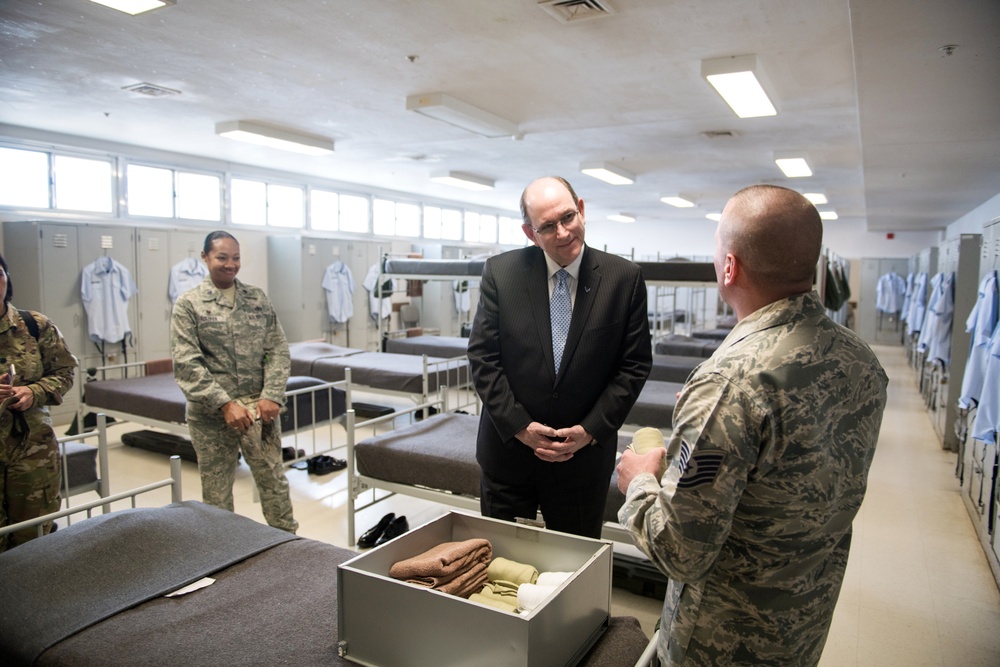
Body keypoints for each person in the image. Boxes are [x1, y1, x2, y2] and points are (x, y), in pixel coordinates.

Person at [617, 185, 889, 666]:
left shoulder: (732, 381)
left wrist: (639, 478)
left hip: (723, 639)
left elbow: (679, 549)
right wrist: (714, 421)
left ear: (729, 266)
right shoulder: (860, 359)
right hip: (802, 622)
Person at [467, 176, 651, 539]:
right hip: (509, 456)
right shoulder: (502, 274)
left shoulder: (623, 279)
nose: (563, 232)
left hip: (582, 460)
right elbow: (483, 357)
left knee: (575, 571)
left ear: (581, 209)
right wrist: (521, 426)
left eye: (568, 217)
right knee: (502, 568)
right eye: (548, 226)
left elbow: (633, 366)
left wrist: (590, 431)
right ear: (529, 232)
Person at [171, 231, 297, 533]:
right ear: (205, 257)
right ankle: (224, 553)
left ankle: (288, 544)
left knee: (274, 483)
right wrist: (225, 404)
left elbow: (278, 348)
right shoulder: (189, 304)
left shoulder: (256, 299)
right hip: (211, 417)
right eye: (222, 257)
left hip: (259, 411)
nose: (230, 264)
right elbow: (187, 363)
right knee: (216, 495)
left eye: (236, 258)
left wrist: (272, 395)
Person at [0, 253, 78, 551]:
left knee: (35, 540)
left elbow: (65, 372)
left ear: (7, 279)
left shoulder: (34, 325)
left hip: (34, 453)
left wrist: (36, 391)